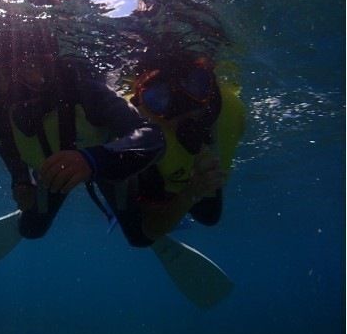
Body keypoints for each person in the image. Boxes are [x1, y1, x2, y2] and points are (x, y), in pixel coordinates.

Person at [0, 23, 164, 247]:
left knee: (138, 236)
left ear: (50, 67)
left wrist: (93, 160)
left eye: (31, 66)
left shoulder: (84, 90)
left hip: (106, 166)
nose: (20, 85)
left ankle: (156, 200)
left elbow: (152, 136)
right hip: (51, 176)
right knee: (32, 230)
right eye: (6, 75)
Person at [95, 53, 246, 247]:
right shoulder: (136, 133)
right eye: (159, 98)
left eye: (195, 85)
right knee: (139, 237)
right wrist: (193, 191)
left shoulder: (230, 111)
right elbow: (149, 229)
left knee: (210, 216)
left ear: (211, 88)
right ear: (142, 103)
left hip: (178, 176)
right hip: (139, 171)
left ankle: (171, 205)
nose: (182, 107)